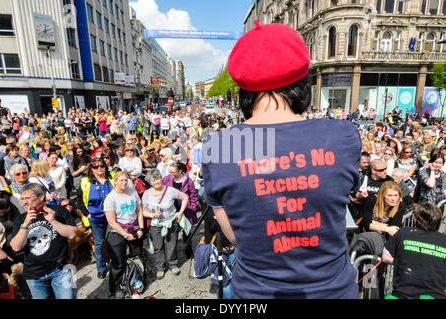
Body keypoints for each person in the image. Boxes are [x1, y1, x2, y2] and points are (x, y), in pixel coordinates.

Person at [201, 21, 361, 299]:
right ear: (302, 84)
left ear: (244, 90)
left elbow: (235, 235)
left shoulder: (221, 146)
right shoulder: (342, 136)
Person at [10, 183, 77, 299]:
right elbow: (15, 247)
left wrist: (53, 221)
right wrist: (25, 225)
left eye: (27, 198)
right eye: (22, 199)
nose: (24, 202)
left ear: (41, 197)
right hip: (34, 275)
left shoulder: (58, 211)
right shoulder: (21, 219)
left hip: (60, 270)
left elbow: (72, 234)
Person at [382, 202, 446, 299]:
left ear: (416, 219)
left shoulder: (403, 233)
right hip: (435, 294)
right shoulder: (444, 240)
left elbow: (385, 257)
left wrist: (405, 261)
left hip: (403, 293)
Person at [142, 169, 189, 279]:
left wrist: (180, 213)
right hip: (155, 224)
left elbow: (185, 197)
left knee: (171, 245)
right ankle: (160, 267)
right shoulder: (146, 194)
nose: (157, 182)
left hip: (171, 222)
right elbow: (143, 210)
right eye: (154, 180)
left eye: (158, 178)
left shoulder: (170, 190)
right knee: (158, 247)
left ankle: (173, 264)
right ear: (149, 182)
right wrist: (152, 215)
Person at [103, 172, 144, 299]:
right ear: (115, 181)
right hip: (118, 231)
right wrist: (125, 235)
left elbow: (139, 211)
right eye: (121, 180)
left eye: (126, 180)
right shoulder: (110, 198)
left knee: (137, 257)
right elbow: (111, 221)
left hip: (134, 227)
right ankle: (114, 288)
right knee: (118, 261)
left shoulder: (132, 192)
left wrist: (141, 228)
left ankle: (136, 280)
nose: (124, 183)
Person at [79, 158, 113, 279]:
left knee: (114, 241)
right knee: (99, 243)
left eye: (101, 166)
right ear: (91, 170)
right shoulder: (85, 182)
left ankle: (115, 263)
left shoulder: (112, 178)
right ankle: (101, 268)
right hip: (96, 217)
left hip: (112, 216)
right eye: (95, 167)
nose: (99, 168)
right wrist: (86, 213)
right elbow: (79, 200)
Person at [0, 190, 22, 286]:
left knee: (20, 281)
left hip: (16, 251)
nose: (1, 215)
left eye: (4, 212)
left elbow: (19, 225)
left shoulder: (15, 206)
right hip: (0, 254)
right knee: (5, 284)